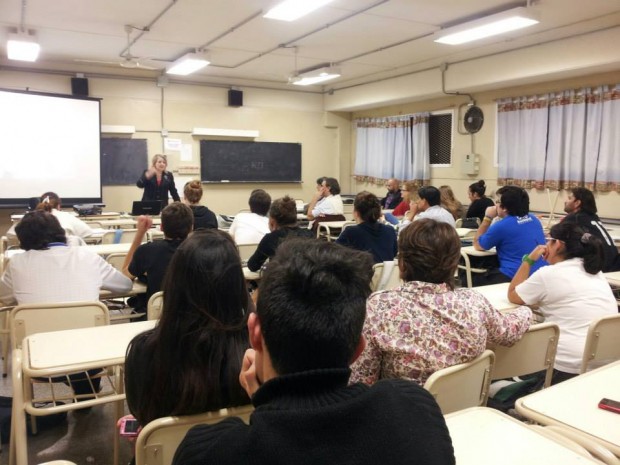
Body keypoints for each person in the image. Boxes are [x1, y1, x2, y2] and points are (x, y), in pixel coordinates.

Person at [172, 239, 455, 465]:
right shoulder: (413, 407)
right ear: (358, 349)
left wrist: (267, 401)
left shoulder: (209, 452)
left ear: (254, 334)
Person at [351, 219, 531, 386]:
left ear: (403, 264)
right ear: (454, 265)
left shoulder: (379, 306)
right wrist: (525, 311)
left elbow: (363, 378)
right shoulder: (474, 302)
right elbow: (508, 332)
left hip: (403, 413)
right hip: (465, 410)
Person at [124, 229, 251, 431]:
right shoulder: (257, 356)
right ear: (238, 285)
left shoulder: (145, 351)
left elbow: (143, 416)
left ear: (174, 282)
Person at [0, 210, 132, 396]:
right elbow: (125, 287)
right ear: (60, 231)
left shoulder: (16, 263)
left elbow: (4, 297)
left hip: (38, 363)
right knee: (80, 336)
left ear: (24, 240)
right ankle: (86, 391)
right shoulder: (88, 257)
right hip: (93, 360)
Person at [508, 222, 617, 384]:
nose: (545, 245)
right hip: (607, 361)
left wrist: (529, 260)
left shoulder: (548, 274)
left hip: (567, 366)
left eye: (549, 240)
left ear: (558, 244)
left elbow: (513, 295)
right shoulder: (595, 271)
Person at [122, 202, 193, 317]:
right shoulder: (199, 250)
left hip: (158, 316)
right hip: (193, 317)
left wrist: (140, 233)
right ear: (191, 228)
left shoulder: (147, 251)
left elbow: (125, 276)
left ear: (161, 227)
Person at [473, 185, 547, 285]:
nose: (495, 205)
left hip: (514, 275)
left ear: (504, 208)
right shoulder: (534, 219)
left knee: (471, 279)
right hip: (541, 273)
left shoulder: (501, 226)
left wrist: (487, 218)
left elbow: (478, 244)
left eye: (497, 202)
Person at [247, 196, 314, 272]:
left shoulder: (270, 239)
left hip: (280, 281)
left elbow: (252, 266)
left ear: (272, 221)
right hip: (308, 280)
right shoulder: (310, 235)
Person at [562, 187, 619, 272]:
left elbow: (555, 236)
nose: (565, 201)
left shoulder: (574, 218)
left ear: (577, 203)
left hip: (601, 268)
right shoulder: (593, 217)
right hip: (615, 264)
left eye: (570, 198)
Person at [336, 191, 397, 263]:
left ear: (356, 213)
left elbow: (334, 254)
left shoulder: (351, 232)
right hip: (386, 272)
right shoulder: (390, 230)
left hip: (362, 272)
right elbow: (394, 253)